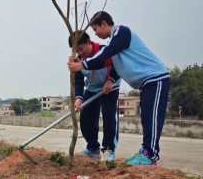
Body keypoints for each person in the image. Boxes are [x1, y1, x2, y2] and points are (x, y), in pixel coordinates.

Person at [68, 11, 170, 166]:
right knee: (146, 118)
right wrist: (81, 66)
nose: (95, 33)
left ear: (103, 23)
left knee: (152, 118)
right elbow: (103, 61)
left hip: (156, 78)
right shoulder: (113, 42)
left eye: (95, 29)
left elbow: (105, 55)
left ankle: (150, 156)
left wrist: (83, 65)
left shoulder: (121, 32)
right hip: (146, 83)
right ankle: (145, 152)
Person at [69, 31, 121, 161]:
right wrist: (79, 98)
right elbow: (79, 80)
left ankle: (109, 149)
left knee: (109, 116)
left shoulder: (105, 51)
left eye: (81, 49)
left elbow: (119, 66)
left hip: (110, 87)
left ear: (88, 42)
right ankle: (93, 148)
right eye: (77, 51)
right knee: (86, 118)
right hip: (92, 89)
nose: (80, 53)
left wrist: (112, 80)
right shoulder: (79, 59)